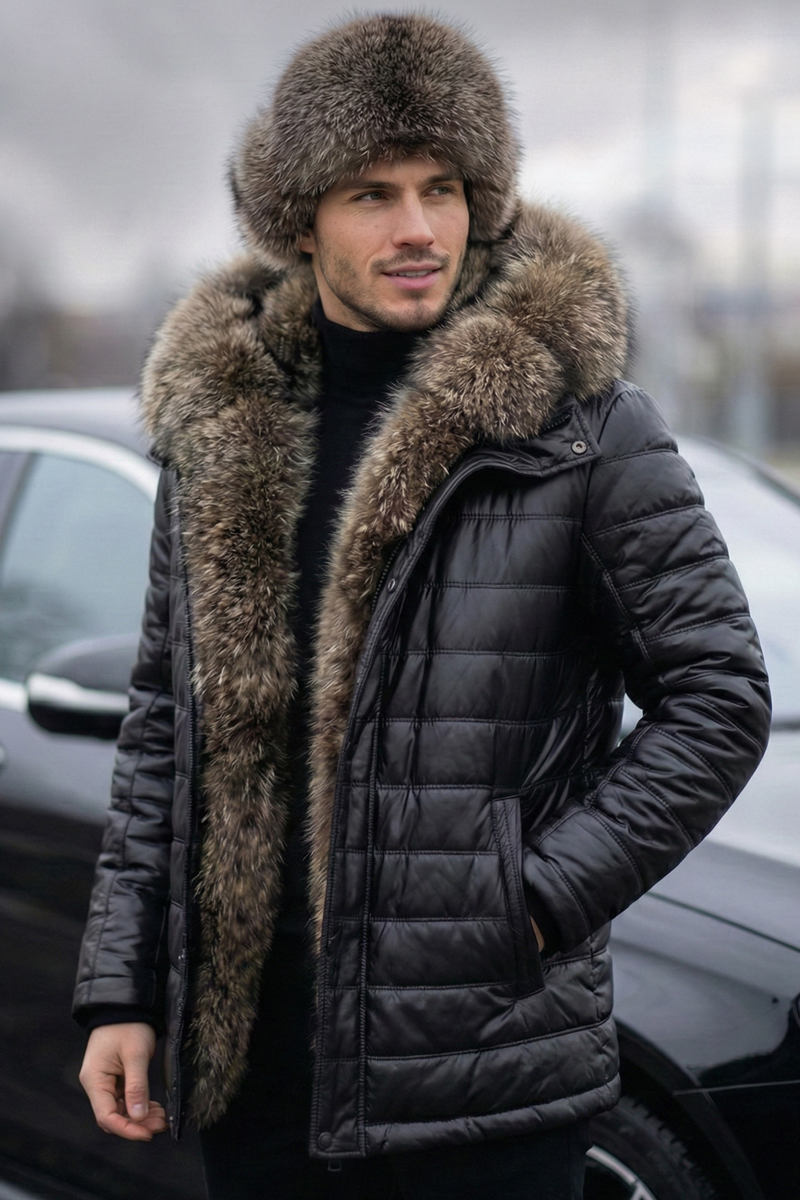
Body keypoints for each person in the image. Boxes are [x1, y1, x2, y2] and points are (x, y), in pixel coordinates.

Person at [73, 13, 771, 1200]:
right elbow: (162, 727)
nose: (416, 230)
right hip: (257, 1080)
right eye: (372, 194)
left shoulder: (578, 429)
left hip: (477, 1078)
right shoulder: (222, 428)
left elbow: (718, 696)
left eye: (441, 188)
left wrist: (531, 903)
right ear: (298, 218)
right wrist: (122, 989)